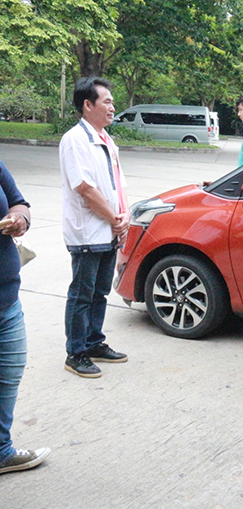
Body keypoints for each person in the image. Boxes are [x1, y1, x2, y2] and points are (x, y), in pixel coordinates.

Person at [59, 77, 130, 378]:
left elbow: (116, 185)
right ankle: (76, 353)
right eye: (107, 101)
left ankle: (93, 341)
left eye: (113, 101)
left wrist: (124, 216)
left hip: (109, 230)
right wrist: (115, 220)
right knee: (82, 293)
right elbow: (85, 188)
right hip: (89, 231)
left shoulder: (107, 140)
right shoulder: (75, 140)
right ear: (87, 105)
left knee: (100, 291)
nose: (113, 107)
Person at [0, 160, 51, 473]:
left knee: (8, 375)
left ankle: (2, 451)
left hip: (6, 298)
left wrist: (19, 218)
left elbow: (19, 201)